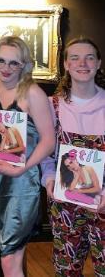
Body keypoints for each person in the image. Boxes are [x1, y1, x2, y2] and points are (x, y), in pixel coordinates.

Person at [0, 36, 55, 277]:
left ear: (24, 66)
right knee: (8, 255)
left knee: (9, 258)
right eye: (1, 60)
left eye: (14, 63)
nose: (6, 68)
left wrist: (23, 167)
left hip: (23, 184)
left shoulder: (33, 94)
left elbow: (49, 141)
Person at [41, 37, 105, 276]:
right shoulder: (51, 105)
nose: (82, 63)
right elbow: (46, 152)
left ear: (98, 63)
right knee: (66, 270)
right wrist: (49, 178)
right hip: (65, 205)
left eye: (89, 58)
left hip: (104, 201)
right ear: (66, 65)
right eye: (75, 58)